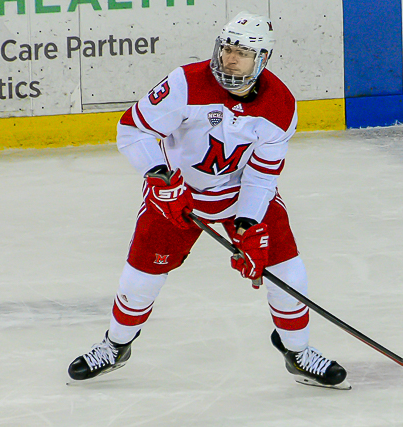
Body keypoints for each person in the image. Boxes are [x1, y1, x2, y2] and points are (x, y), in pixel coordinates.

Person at [68, 11, 349, 390]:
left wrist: (248, 225)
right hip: (176, 194)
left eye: (242, 53)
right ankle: (116, 346)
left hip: (240, 195)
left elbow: (262, 174)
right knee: (140, 279)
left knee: (289, 274)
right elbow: (132, 130)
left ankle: (297, 352)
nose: (230, 59)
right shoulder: (185, 84)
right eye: (227, 49)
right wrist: (160, 177)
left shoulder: (281, 105)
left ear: (262, 59)